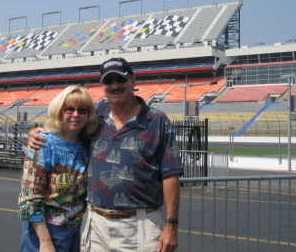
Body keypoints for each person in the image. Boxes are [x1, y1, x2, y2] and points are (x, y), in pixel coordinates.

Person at [28, 57, 183, 252]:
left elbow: (171, 174)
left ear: (133, 81)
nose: (115, 85)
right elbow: (67, 131)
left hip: (141, 224)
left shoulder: (157, 120)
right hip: (96, 224)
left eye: (120, 79)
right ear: (102, 85)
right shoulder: (95, 118)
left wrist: (171, 224)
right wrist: (36, 132)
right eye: (109, 81)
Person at [17, 85, 98, 252]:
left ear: (88, 115)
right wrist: (45, 242)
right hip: (45, 233)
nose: (76, 115)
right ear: (59, 111)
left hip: (76, 233)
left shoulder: (85, 145)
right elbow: (29, 198)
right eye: (69, 109)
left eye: (82, 110)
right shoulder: (44, 143)